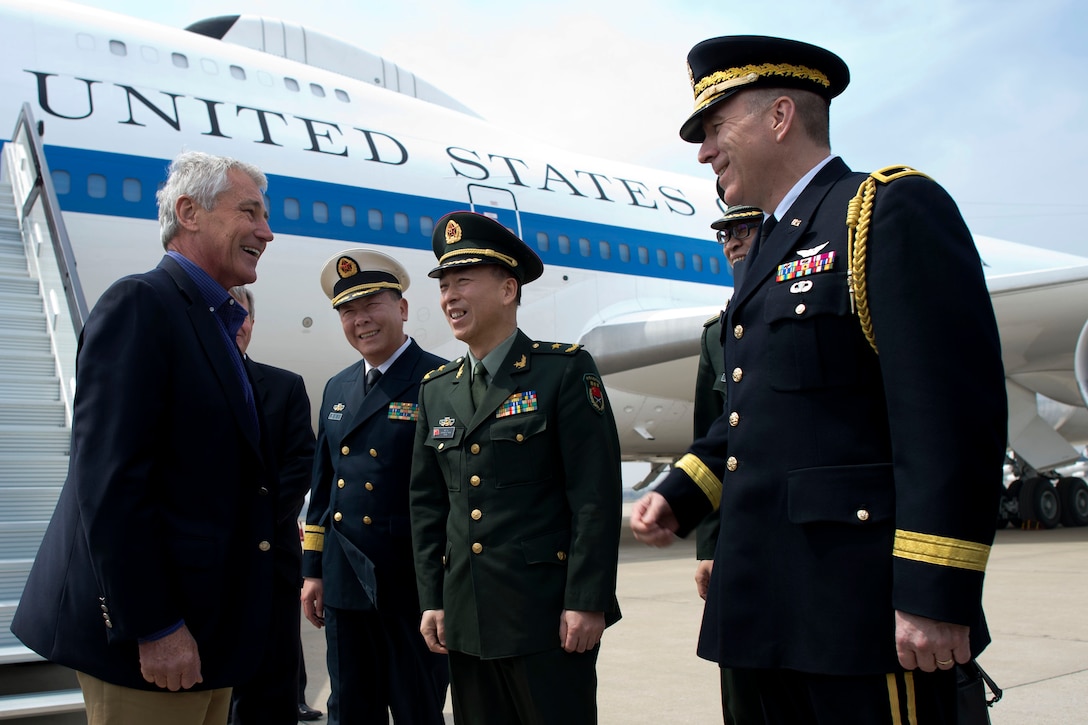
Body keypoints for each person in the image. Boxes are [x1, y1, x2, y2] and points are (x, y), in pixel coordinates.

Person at [631, 36, 1007, 724]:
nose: (704, 151)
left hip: (859, 613)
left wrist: (936, 591)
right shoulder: (769, 245)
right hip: (766, 609)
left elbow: (951, 415)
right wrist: (682, 492)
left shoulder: (883, 212)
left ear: (780, 116)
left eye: (715, 128)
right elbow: (760, 409)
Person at [11, 151, 278, 725]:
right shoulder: (142, 306)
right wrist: (153, 625)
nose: (267, 230)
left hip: (205, 635)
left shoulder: (209, 322)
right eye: (250, 212)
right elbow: (110, 485)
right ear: (189, 211)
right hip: (155, 644)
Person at [409, 211, 623, 725]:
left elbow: (595, 496)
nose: (449, 297)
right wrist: (433, 601)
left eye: (464, 281)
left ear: (508, 290)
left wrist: (587, 600)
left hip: (546, 618)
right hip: (466, 619)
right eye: (443, 284)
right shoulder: (436, 389)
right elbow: (428, 506)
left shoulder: (563, 371)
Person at [301, 249, 449, 724]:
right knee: (350, 710)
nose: (360, 320)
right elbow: (322, 492)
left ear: (402, 308)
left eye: (372, 305)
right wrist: (312, 571)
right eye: (348, 311)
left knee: (416, 708)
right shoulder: (337, 387)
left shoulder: (439, 380)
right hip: (344, 585)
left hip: (410, 585)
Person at [226, 286, 321, 724]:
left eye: (240, 312)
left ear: (252, 320)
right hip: (204, 569)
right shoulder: (177, 381)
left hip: (270, 567)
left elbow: (301, 466)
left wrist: (248, 525)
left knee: (269, 697)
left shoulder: (284, 387)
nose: (233, 321)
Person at [692, 204, 765, 725]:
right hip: (742, 542)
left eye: (746, 229)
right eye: (725, 233)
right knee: (743, 692)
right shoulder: (717, 334)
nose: (733, 242)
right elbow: (713, 443)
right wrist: (708, 545)